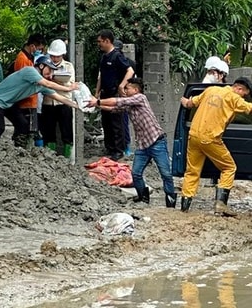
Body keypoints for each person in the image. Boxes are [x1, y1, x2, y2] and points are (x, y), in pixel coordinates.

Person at [179, 77, 252, 215]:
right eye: (244, 94)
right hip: (210, 139)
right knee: (229, 167)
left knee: (192, 171)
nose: (244, 97)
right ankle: (221, 204)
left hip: (193, 136)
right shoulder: (234, 98)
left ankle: (184, 207)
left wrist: (183, 101)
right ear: (239, 88)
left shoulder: (211, 89)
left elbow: (189, 103)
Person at [85, 77, 178, 207]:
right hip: (143, 145)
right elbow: (113, 108)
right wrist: (96, 104)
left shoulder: (140, 98)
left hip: (156, 141)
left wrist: (98, 101)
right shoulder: (129, 104)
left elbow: (117, 102)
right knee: (136, 173)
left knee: (166, 173)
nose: (125, 90)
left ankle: (170, 199)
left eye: (127, 88)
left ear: (136, 89)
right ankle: (143, 197)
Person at [0, 56, 80, 144]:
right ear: (42, 66)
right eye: (49, 70)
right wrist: (68, 88)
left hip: (8, 103)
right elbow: (48, 84)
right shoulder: (30, 71)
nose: (50, 75)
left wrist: (77, 105)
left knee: (23, 124)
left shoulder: (40, 85)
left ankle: (19, 148)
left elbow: (58, 97)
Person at [94, 29, 134, 161]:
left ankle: (118, 150)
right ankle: (110, 148)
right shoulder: (104, 57)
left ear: (107, 41)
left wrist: (122, 85)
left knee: (116, 123)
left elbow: (130, 71)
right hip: (105, 93)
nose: (98, 44)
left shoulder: (117, 56)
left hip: (114, 94)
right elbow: (101, 76)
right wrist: (97, 92)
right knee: (106, 123)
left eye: (100, 41)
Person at [7, 34, 46, 146]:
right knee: (26, 130)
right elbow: (25, 80)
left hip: (29, 100)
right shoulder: (22, 59)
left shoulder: (28, 58)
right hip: (26, 101)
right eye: (39, 49)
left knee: (31, 130)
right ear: (33, 46)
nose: (40, 51)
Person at [40, 39, 75, 157]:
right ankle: (49, 156)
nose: (55, 59)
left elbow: (70, 84)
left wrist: (55, 79)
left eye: (57, 56)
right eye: (53, 56)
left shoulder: (68, 66)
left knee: (67, 132)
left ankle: (67, 158)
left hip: (64, 103)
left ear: (62, 55)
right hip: (48, 103)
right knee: (48, 132)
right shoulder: (44, 66)